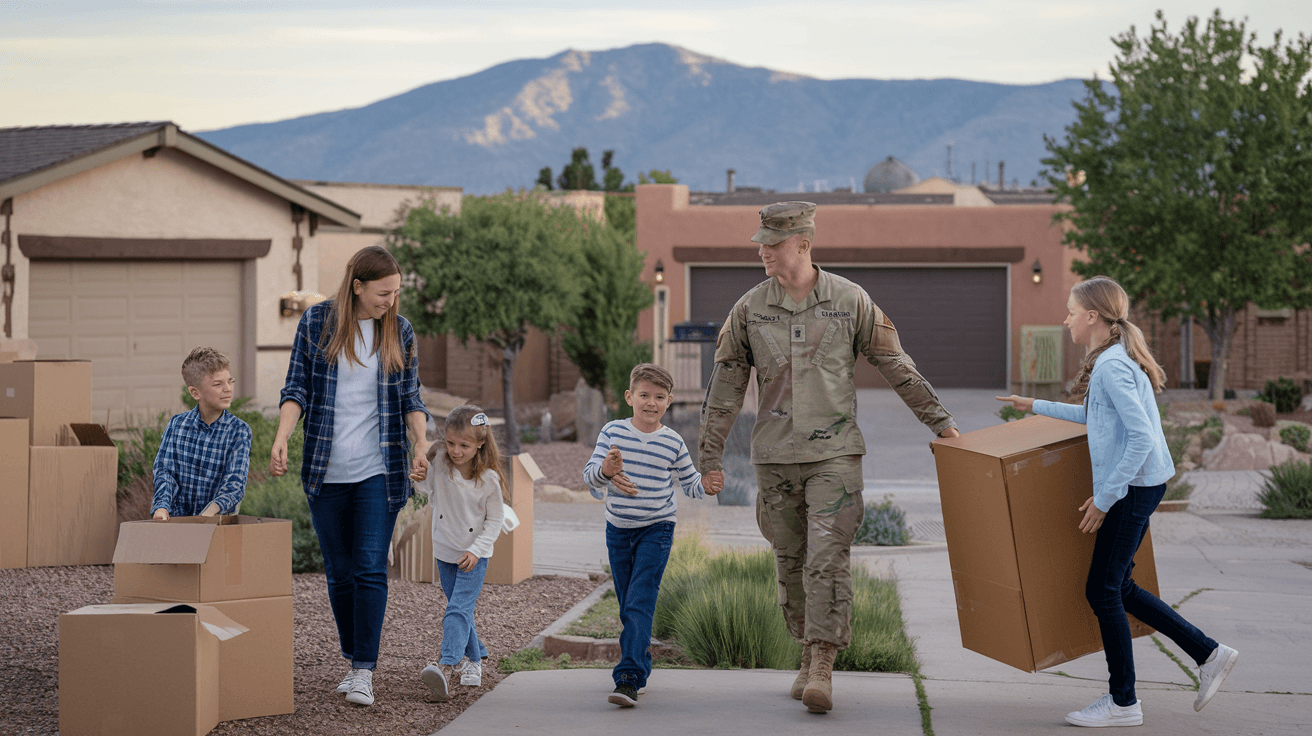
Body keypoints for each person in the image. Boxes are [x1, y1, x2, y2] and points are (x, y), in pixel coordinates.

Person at [699, 202, 960, 714]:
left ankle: (822, 663)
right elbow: (725, 387)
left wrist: (941, 422)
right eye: (761, 242)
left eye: (771, 244)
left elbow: (895, 364)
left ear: (802, 244)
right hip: (773, 459)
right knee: (791, 562)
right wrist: (710, 456)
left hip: (834, 457)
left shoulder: (850, 300)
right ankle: (806, 650)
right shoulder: (749, 309)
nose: (761, 251)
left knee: (827, 558)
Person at [997, 276, 1238, 728]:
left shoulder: (1110, 365)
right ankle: (1209, 653)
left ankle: (1124, 701)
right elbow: (1094, 416)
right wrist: (1032, 404)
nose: (1065, 319)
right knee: (1117, 586)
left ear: (1092, 316)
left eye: (1070, 311)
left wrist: (1105, 499)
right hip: (1141, 487)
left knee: (1103, 590)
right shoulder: (1114, 359)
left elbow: (1142, 437)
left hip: (1131, 490)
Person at [270, 245, 430, 707]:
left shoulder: (399, 330)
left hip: (379, 470)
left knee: (369, 569)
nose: (391, 301)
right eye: (383, 292)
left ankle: (364, 670)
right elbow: (295, 386)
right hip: (326, 469)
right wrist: (282, 436)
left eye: (397, 292)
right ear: (357, 286)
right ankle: (352, 656)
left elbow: (411, 398)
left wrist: (421, 444)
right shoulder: (317, 323)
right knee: (339, 574)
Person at [583, 363, 724, 708]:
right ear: (630, 397)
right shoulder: (612, 433)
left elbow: (689, 482)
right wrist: (606, 470)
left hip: (658, 529)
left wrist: (704, 485)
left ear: (669, 401)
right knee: (627, 605)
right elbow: (590, 479)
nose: (651, 403)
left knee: (639, 601)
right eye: (644, 395)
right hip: (618, 531)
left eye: (659, 397)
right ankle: (641, 667)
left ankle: (628, 677)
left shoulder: (672, 441)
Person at [416, 405, 506, 702]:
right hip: (444, 551)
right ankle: (475, 659)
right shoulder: (441, 463)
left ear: (480, 443)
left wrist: (477, 551)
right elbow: (425, 490)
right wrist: (418, 475)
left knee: (457, 610)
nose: (456, 451)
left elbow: (495, 521)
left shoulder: (489, 479)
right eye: (451, 443)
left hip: (473, 556)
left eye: (464, 445)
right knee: (461, 608)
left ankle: (447, 664)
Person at [150, 346, 252, 520]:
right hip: (177, 524)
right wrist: (161, 506)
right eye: (218, 384)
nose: (228, 388)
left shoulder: (239, 431)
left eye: (230, 381)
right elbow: (165, 472)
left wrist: (209, 513)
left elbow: (234, 484)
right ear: (195, 393)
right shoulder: (177, 425)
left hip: (217, 525)